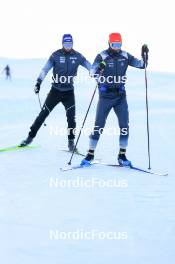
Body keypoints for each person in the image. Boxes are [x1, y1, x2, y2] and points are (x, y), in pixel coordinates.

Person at [81, 33, 149, 166]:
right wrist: (98, 68)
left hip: (120, 96)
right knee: (99, 125)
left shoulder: (125, 55)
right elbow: (91, 72)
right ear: (109, 43)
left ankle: (122, 155)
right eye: (114, 44)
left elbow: (141, 65)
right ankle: (90, 154)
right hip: (105, 96)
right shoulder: (102, 56)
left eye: (119, 44)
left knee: (124, 125)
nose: (117, 47)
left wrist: (145, 57)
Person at [19, 34, 91, 151]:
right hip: (55, 91)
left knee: (71, 118)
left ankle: (71, 143)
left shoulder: (78, 56)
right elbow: (45, 69)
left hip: (69, 92)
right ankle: (29, 138)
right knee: (43, 115)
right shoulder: (55, 55)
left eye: (70, 44)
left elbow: (89, 66)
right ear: (62, 44)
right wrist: (38, 82)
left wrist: (96, 73)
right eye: (66, 44)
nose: (68, 46)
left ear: (73, 44)